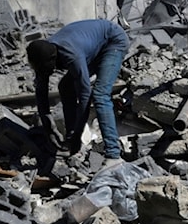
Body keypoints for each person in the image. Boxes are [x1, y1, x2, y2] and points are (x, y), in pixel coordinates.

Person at [26, 19, 129, 162]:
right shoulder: (42, 55)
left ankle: (113, 155)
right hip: (92, 46)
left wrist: (77, 134)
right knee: (65, 86)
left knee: (100, 94)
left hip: (113, 41)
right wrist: (49, 128)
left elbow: (85, 95)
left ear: (53, 60)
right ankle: (70, 142)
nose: (44, 73)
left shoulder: (70, 54)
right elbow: (41, 93)